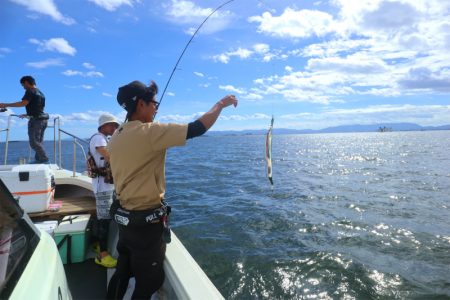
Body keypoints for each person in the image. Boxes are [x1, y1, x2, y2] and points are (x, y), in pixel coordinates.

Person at [106, 80, 238, 299]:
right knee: (149, 282)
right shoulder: (150, 132)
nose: (156, 107)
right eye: (153, 103)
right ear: (140, 104)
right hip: (145, 226)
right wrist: (220, 103)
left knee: (123, 271)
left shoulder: (117, 136)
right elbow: (198, 127)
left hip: (125, 220)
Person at [89, 113, 119, 268]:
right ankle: (103, 256)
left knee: (104, 217)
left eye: (116, 125)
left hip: (105, 186)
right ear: (103, 126)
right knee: (104, 221)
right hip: (102, 187)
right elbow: (110, 157)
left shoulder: (103, 138)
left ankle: (97, 245)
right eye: (112, 125)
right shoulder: (99, 138)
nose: (114, 127)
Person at [0, 76, 49, 163]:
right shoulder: (41, 93)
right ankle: (39, 160)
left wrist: (5, 104)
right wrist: (28, 114)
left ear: (26, 82)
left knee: (34, 142)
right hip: (43, 120)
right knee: (38, 142)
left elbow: (23, 103)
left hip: (36, 121)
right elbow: (39, 108)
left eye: (23, 85)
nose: (23, 87)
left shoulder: (30, 91)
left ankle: (44, 159)